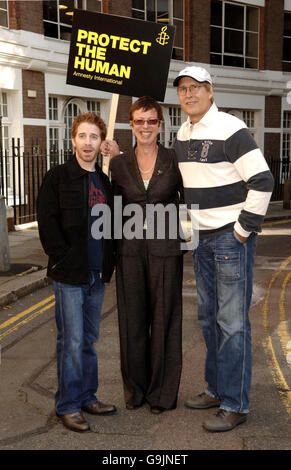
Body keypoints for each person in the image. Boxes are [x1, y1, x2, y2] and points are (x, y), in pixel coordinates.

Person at [173, 66, 274, 432]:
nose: (189, 94)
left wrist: (244, 229)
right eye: (183, 89)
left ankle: (236, 403)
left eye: (196, 88)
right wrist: (188, 236)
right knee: (209, 319)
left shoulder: (231, 128)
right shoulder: (183, 132)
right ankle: (216, 390)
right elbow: (188, 192)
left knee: (232, 324)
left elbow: (263, 180)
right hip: (200, 241)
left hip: (230, 239)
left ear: (210, 92)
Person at [37, 113, 116, 432]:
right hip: (69, 274)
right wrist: (63, 257)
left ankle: (86, 396)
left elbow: (113, 226)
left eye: (94, 137)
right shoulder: (57, 177)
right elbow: (47, 221)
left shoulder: (105, 181)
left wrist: (107, 266)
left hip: (96, 275)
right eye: (82, 136)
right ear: (72, 140)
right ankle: (67, 405)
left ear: (102, 143)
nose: (87, 142)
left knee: (88, 340)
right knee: (70, 341)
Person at [109, 96, 184, 414]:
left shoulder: (175, 159)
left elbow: (188, 201)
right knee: (133, 321)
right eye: (139, 121)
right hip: (129, 252)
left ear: (160, 124)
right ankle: (136, 391)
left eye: (151, 120)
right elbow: (111, 211)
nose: (145, 127)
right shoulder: (118, 164)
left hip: (165, 252)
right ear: (131, 124)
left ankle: (161, 394)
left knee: (165, 321)